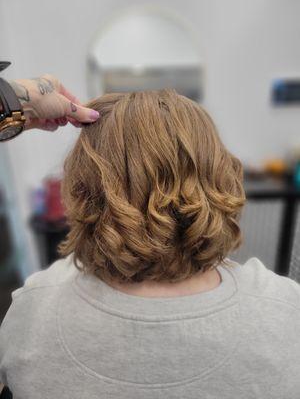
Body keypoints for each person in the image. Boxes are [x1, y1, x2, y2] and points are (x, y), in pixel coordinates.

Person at [0, 90, 299, 398]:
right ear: (218, 175)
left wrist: (12, 99)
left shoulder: (34, 309)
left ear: (82, 186)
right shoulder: (285, 311)